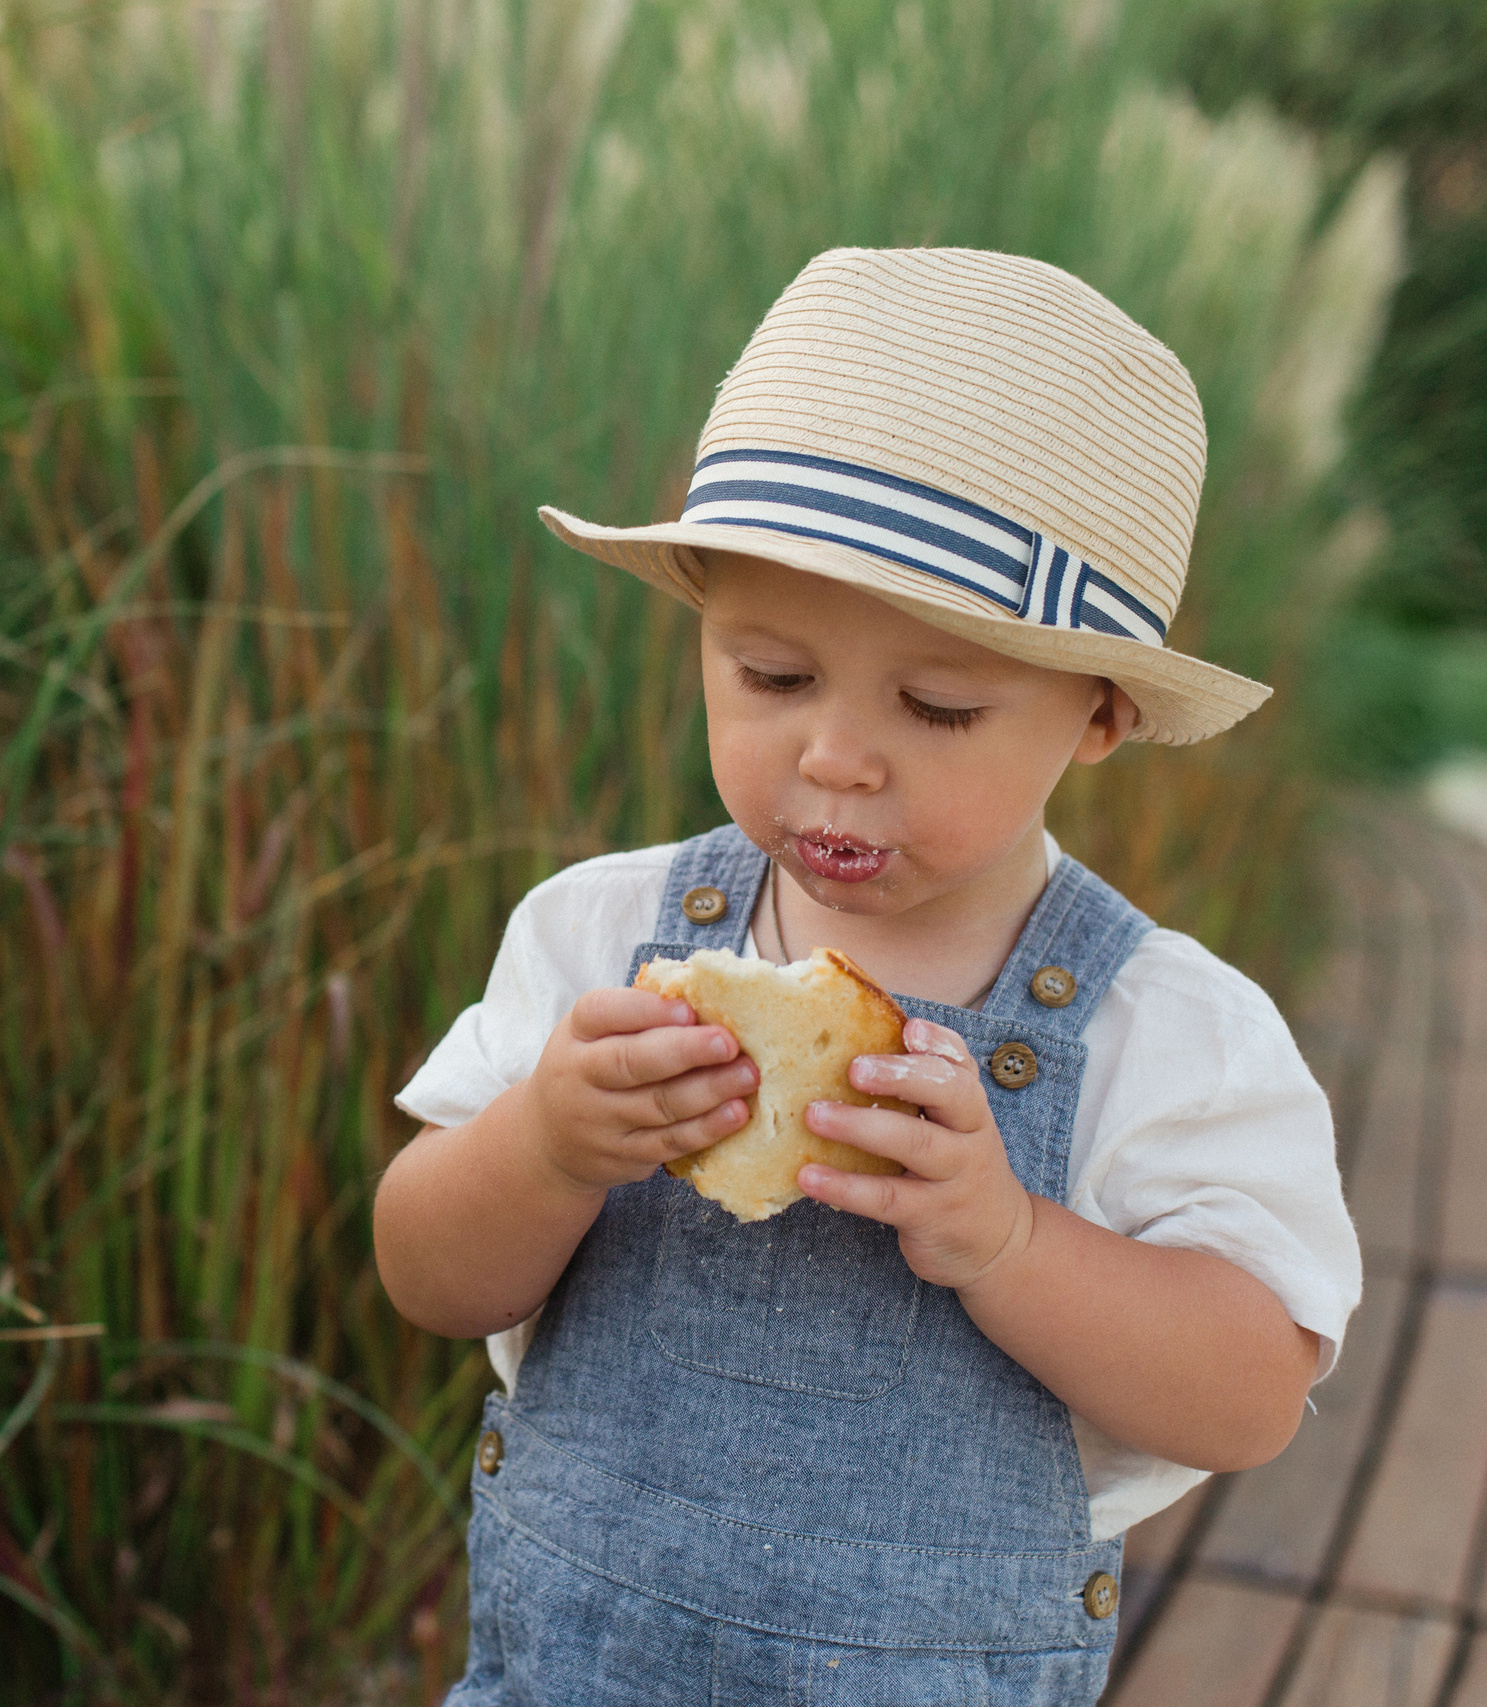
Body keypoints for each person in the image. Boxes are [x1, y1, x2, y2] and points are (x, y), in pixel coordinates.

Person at [371, 247, 1362, 1705]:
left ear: (1096, 716)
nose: (835, 754)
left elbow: (1251, 1396)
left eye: (940, 704)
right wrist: (545, 1145)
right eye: (770, 678)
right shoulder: (605, 936)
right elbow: (425, 1273)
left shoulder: (1159, 1028)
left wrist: (1010, 1244)